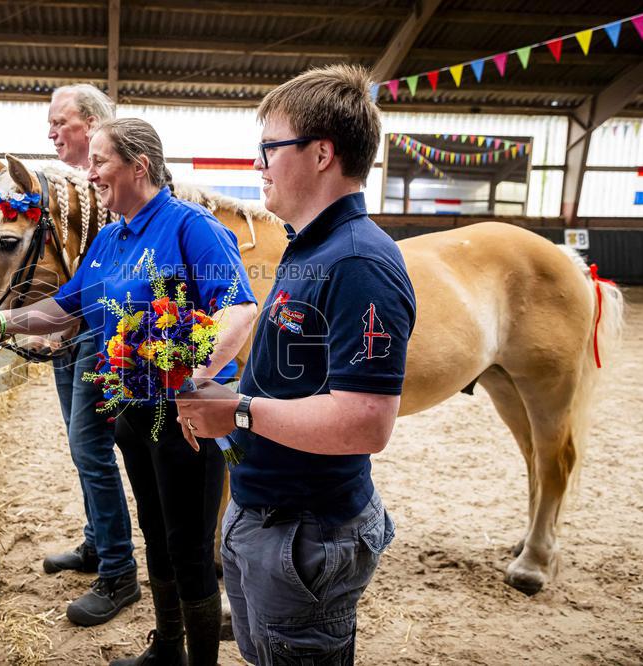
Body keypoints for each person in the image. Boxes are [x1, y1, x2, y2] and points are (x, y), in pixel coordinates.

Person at [0, 118, 258, 665]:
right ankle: (168, 646)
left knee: (191, 546)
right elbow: (66, 307)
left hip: (183, 421)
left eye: (100, 162)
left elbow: (239, 307)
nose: (90, 173)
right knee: (156, 532)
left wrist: (198, 378)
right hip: (131, 414)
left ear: (138, 167)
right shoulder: (110, 236)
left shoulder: (192, 228)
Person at [176, 65, 417, 665]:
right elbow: (296, 377)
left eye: (268, 148)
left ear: (321, 154)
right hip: (267, 517)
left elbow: (366, 423)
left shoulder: (359, 261)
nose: (258, 166)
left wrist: (240, 412)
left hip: (306, 532)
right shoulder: (308, 247)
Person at [34, 83, 141, 626]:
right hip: (68, 334)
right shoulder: (55, 190)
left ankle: (119, 568)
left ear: (95, 123)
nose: (51, 132)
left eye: (61, 122)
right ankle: (99, 543)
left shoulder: (116, 196)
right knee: (82, 449)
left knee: (92, 447)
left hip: (101, 338)